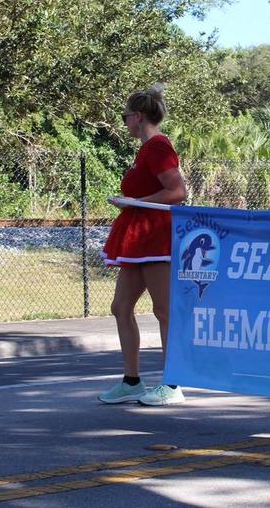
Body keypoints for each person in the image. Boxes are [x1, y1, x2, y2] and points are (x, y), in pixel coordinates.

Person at [99, 85, 189, 406]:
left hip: (156, 237)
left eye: (125, 117)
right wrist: (132, 202)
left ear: (138, 117)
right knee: (121, 307)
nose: (124, 122)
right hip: (139, 239)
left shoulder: (158, 147)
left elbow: (178, 192)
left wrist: (136, 202)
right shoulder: (145, 150)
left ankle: (174, 384)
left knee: (164, 310)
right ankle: (132, 380)